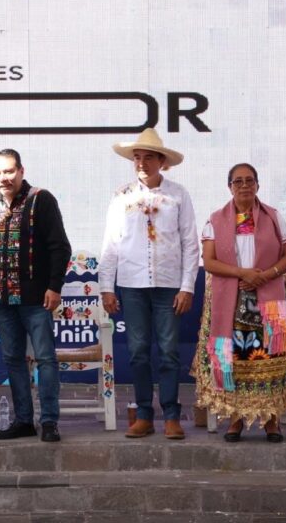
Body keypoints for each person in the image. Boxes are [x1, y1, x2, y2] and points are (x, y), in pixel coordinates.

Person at [191, 163, 286, 442]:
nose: (244, 185)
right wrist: (242, 274)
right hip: (229, 302)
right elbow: (209, 262)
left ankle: (272, 421)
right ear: (229, 186)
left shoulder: (274, 217)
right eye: (238, 181)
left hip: (270, 299)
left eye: (249, 180)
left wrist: (265, 276)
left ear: (258, 185)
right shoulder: (215, 220)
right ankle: (235, 420)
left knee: (271, 359)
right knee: (233, 359)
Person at [99, 128, 199, 440]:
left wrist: (187, 287)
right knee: (138, 351)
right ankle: (143, 414)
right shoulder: (122, 196)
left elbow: (190, 243)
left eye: (148, 157)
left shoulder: (178, 194)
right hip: (132, 284)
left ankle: (171, 415)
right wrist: (106, 286)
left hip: (168, 284)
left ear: (162, 161)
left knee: (168, 351)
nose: (142, 163)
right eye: (137, 158)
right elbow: (111, 243)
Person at [0, 149, 71, 442]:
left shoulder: (41, 199)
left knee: (45, 359)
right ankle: (24, 420)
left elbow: (60, 247)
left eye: (9, 171)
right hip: (3, 299)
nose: (4, 178)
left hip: (36, 298)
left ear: (21, 171)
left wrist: (55, 286)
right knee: (13, 360)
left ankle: (49, 421)